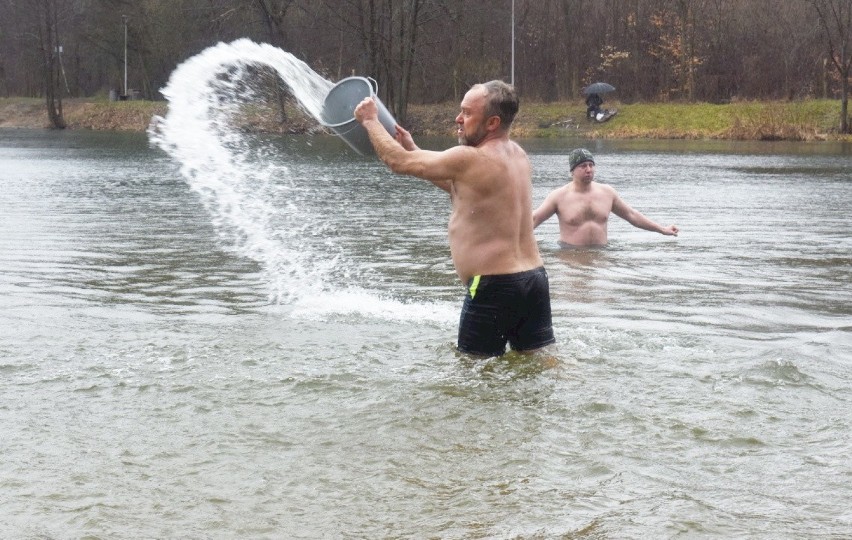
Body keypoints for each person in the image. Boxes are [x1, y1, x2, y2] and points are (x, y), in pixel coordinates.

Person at [354, 80, 555, 357]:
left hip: (493, 286)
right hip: (534, 281)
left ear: (492, 122)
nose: (458, 119)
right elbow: (467, 191)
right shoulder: (517, 155)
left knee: (472, 376)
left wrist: (370, 121)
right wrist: (414, 148)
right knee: (536, 365)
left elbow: (397, 163)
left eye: (467, 113)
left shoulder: (469, 157)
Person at [533, 148, 679, 247]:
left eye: (591, 165)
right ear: (572, 170)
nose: (589, 170)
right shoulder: (559, 196)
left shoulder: (607, 193)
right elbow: (534, 219)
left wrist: (662, 229)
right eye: (583, 166)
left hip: (601, 255)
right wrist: (510, 237)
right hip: (570, 255)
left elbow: (632, 215)